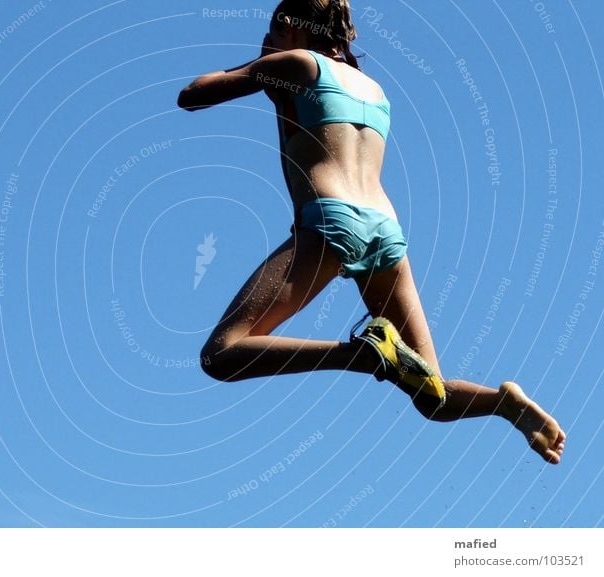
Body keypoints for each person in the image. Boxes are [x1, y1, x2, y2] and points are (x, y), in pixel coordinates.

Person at [177, 0, 565, 464]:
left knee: (221, 355)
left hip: (330, 220)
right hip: (386, 231)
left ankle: (357, 355)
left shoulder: (294, 64)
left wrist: (261, 58)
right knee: (432, 395)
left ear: (286, 24)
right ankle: (504, 403)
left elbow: (194, 93)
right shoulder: (373, 88)